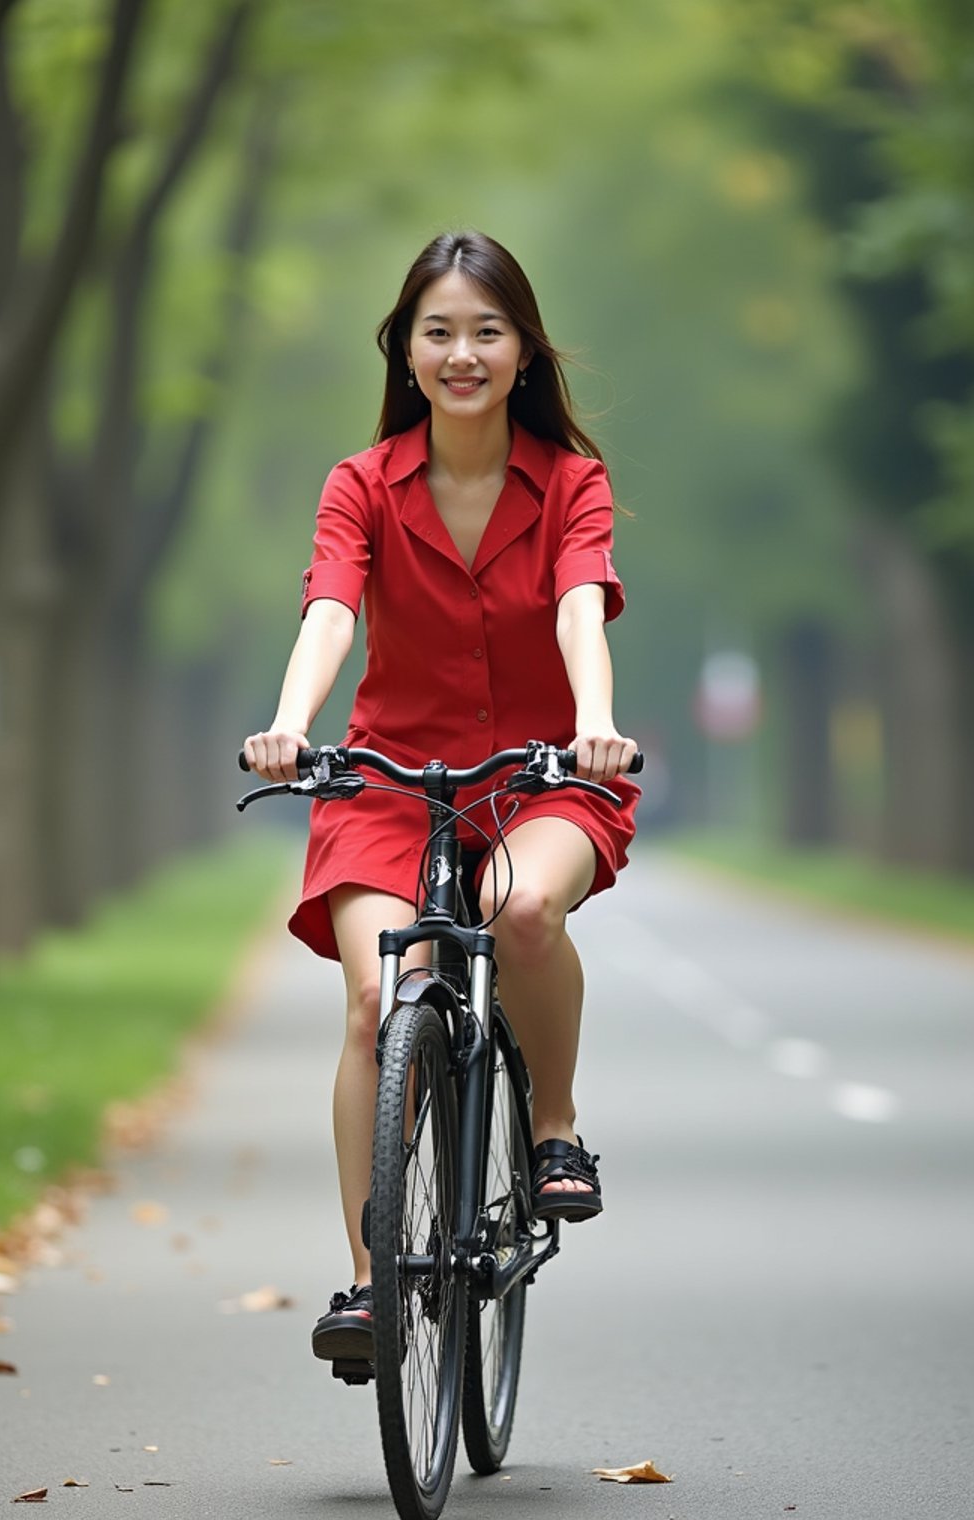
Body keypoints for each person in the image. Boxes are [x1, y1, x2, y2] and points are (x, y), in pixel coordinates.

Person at [243, 230, 640, 1365]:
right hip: (388, 783)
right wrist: (291, 723)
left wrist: (592, 723)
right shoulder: (360, 484)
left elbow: (577, 603)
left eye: (486, 331)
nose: (462, 353)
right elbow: (330, 606)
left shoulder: (572, 482)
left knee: (520, 914)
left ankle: (554, 1133)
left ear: (523, 352)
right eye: (438, 333)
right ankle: (371, 1283)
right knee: (379, 1001)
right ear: (404, 353)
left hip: (538, 780)